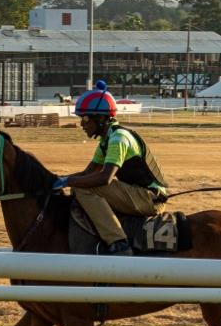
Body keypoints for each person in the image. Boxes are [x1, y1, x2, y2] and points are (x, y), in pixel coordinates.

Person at [52, 80, 168, 256]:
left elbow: (104, 178)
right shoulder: (106, 140)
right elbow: (87, 173)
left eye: (85, 118)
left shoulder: (118, 138)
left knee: (81, 188)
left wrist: (68, 181)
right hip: (138, 194)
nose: (82, 124)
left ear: (101, 118)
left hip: (149, 199)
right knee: (79, 185)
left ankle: (118, 242)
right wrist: (56, 179)